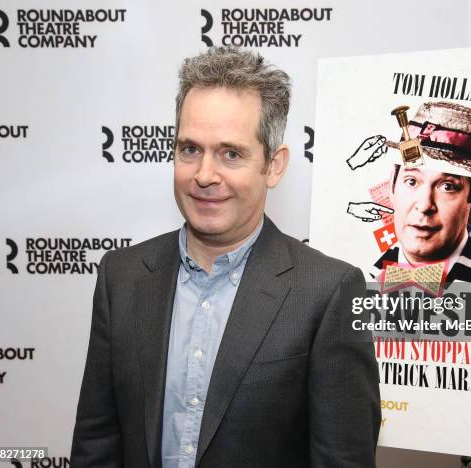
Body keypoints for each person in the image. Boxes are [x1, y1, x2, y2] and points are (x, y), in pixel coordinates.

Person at [71, 46, 380, 468]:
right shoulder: (121, 277)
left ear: (273, 165)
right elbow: (96, 443)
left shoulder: (327, 291)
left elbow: (342, 459)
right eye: (190, 149)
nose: (204, 175)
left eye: (231, 154)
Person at [345, 101, 471, 282]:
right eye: (411, 181)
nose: (424, 205)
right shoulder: (362, 278)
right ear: (392, 185)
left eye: (447, 186)